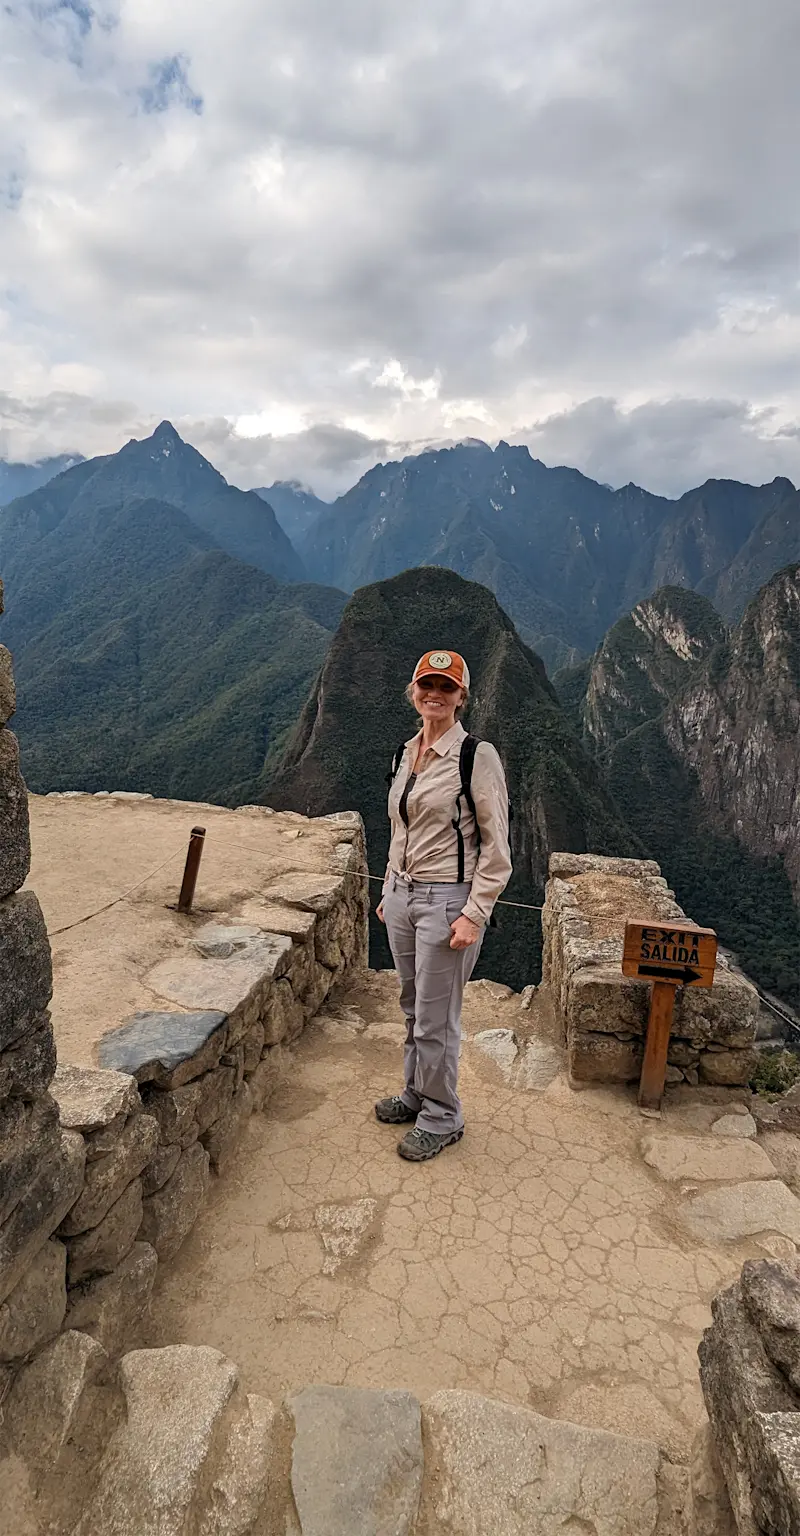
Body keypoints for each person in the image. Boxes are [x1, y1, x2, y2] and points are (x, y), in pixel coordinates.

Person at [376, 649, 512, 1162]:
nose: (434, 694)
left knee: (437, 1017)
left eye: (446, 687)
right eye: (426, 685)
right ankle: (415, 1092)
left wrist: (474, 914)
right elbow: (399, 829)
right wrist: (390, 890)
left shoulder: (477, 756)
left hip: (447, 900)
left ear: (462, 697)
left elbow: (497, 848)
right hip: (405, 895)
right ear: (413, 690)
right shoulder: (403, 753)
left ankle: (442, 1115)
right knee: (412, 1006)